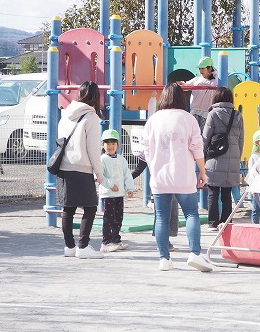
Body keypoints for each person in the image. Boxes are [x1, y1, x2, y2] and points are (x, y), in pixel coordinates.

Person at [142, 82, 212, 272]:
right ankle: (195, 253)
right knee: (191, 214)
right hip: (183, 174)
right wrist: (202, 172)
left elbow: (146, 149)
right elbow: (197, 148)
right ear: (182, 98)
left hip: (159, 176)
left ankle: (164, 259)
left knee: (161, 218)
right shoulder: (188, 118)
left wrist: (154, 167)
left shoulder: (153, 119)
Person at [56, 81, 104, 259]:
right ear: (96, 97)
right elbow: (93, 149)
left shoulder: (66, 113)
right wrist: (99, 173)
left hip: (64, 166)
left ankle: (69, 246)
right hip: (81, 168)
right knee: (90, 207)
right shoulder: (91, 117)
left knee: (68, 208)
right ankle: (83, 246)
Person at [203, 87, 244, 231]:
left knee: (213, 193)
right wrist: (237, 157)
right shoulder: (238, 115)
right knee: (227, 194)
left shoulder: (213, 114)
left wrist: (201, 156)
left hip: (215, 157)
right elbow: (241, 139)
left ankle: (213, 223)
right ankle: (226, 223)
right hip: (233, 158)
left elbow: (205, 137)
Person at [99, 129, 135, 253]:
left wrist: (129, 188)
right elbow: (100, 176)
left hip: (119, 194)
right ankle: (106, 242)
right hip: (108, 194)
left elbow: (127, 175)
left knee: (118, 218)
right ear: (102, 145)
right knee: (108, 218)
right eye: (108, 143)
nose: (111, 146)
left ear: (117, 145)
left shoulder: (121, 159)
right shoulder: (102, 159)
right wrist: (110, 185)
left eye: (113, 143)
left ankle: (116, 240)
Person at [183, 56, 218, 131]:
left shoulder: (213, 80)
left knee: (204, 132)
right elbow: (186, 86)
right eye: (199, 69)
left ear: (209, 69)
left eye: (202, 68)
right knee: (192, 131)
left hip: (206, 112)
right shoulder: (196, 80)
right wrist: (182, 84)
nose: (200, 71)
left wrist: (213, 72)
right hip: (194, 110)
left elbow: (214, 83)